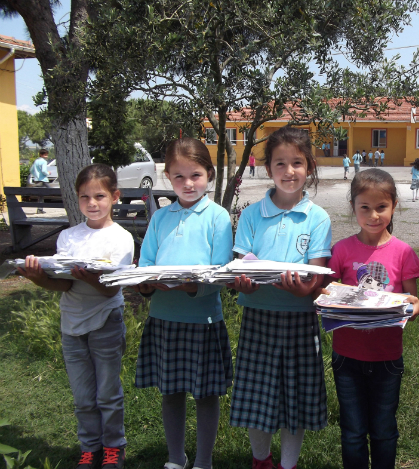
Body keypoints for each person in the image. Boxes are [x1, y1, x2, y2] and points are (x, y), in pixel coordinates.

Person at [228, 126, 332, 469]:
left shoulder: (317, 218)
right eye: (280, 164)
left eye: (297, 163)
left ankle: (288, 464)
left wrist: (307, 289)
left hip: (299, 320)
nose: (289, 172)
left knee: (295, 399)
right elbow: (241, 264)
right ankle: (261, 460)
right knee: (257, 396)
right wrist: (242, 282)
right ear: (267, 168)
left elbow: (317, 275)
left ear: (310, 167)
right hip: (258, 315)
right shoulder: (252, 214)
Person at [19, 164, 134, 469]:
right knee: (83, 395)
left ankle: (113, 446)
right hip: (71, 323)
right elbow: (62, 284)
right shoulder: (68, 237)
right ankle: (89, 446)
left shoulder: (121, 238)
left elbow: (111, 291)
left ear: (115, 196)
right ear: (77, 199)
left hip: (106, 320)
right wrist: (35, 277)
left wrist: (89, 277)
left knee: (107, 393)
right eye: (85, 197)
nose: (92, 203)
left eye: (99, 196)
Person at [134, 137, 234, 469]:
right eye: (178, 176)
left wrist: (191, 285)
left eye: (195, 175)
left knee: (206, 394)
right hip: (163, 318)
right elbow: (146, 263)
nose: (187, 183)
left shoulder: (218, 217)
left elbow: (220, 272)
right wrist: (146, 284)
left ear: (209, 174)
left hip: (202, 319)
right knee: (170, 391)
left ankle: (204, 460)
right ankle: (176, 458)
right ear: (168, 177)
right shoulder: (160, 218)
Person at [323, 169, 419, 469]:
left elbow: (414, 300)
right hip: (346, 356)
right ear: (353, 206)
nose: (373, 215)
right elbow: (329, 292)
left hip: (387, 357)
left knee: (383, 430)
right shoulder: (341, 250)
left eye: (381, 207)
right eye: (364, 207)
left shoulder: (404, 253)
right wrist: (332, 296)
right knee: (352, 431)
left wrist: (411, 308)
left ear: (394, 206)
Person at [30, 148, 50, 214]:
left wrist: (36, 175)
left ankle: (39, 209)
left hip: (37, 180)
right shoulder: (44, 161)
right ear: (41, 155)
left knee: (40, 195)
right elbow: (44, 171)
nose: (46, 156)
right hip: (43, 180)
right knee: (54, 191)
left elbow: (31, 170)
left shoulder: (36, 161)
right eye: (45, 155)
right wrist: (48, 173)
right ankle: (40, 209)